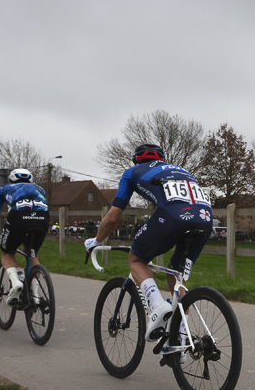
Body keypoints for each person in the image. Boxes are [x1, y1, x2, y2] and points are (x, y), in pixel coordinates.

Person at [85, 143, 213, 344]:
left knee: (137, 259)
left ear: (136, 159)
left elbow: (112, 218)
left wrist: (95, 241)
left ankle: (157, 306)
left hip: (174, 216)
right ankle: (181, 342)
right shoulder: (181, 171)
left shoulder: (132, 172)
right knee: (176, 274)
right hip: (205, 219)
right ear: (162, 158)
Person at [0, 169, 50, 305]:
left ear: (11, 180)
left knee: (7, 253)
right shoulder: (39, 188)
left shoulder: (4, 189)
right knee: (31, 253)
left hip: (19, 217)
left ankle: (16, 283)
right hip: (43, 219)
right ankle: (35, 296)